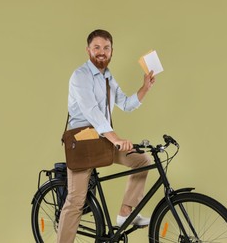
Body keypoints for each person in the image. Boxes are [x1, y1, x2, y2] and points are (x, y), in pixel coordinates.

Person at [57, 29, 156, 243]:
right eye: (97, 47)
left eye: (106, 48)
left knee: (142, 160)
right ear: (88, 50)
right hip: (83, 142)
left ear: (112, 51)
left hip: (103, 140)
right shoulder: (80, 76)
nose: (102, 52)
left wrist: (144, 88)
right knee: (75, 201)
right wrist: (117, 139)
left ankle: (125, 212)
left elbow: (127, 105)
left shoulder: (108, 77)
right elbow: (92, 112)